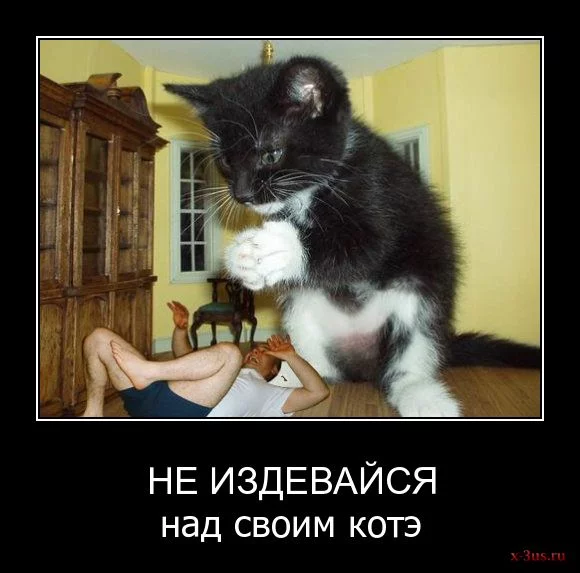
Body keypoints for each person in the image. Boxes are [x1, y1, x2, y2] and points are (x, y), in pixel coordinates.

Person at [81, 301, 329, 418]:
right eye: (255, 349)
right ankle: (93, 413)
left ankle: (146, 372)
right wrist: (180, 330)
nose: (255, 352)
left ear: (273, 371)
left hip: (184, 413)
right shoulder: (222, 370)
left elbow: (319, 392)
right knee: (98, 338)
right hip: (154, 396)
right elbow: (185, 359)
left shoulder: (272, 395)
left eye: (265, 352)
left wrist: (291, 356)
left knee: (230, 353)